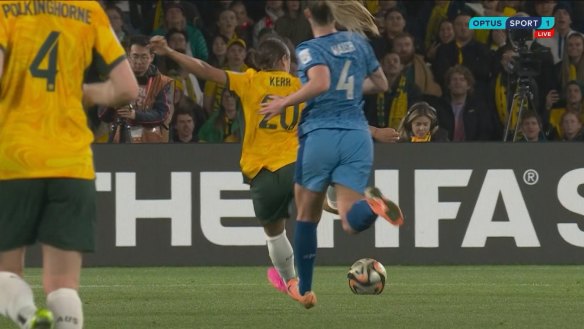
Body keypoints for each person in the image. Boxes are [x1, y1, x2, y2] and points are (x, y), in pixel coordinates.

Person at [0, 2, 139, 329]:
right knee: (63, 286)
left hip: (15, 159)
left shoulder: (7, 9)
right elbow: (128, 88)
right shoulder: (88, 10)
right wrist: (89, 92)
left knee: (5, 272)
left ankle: (29, 317)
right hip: (72, 162)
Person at [259, 0, 404, 309]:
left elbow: (321, 82)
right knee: (351, 221)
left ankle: (307, 290)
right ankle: (372, 206)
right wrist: (348, 89)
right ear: (335, 15)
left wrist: (283, 103)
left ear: (308, 14)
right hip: (356, 135)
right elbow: (381, 83)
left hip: (320, 136)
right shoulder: (358, 42)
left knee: (306, 216)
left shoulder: (309, 48)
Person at [150, 35, 304, 298]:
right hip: (297, 164)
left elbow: (204, 69)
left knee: (274, 234)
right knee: (319, 188)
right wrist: (374, 131)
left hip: (262, 173)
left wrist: (170, 52)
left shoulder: (249, 80)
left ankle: (293, 285)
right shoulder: (303, 85)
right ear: (283, 60)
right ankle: (344, 200)